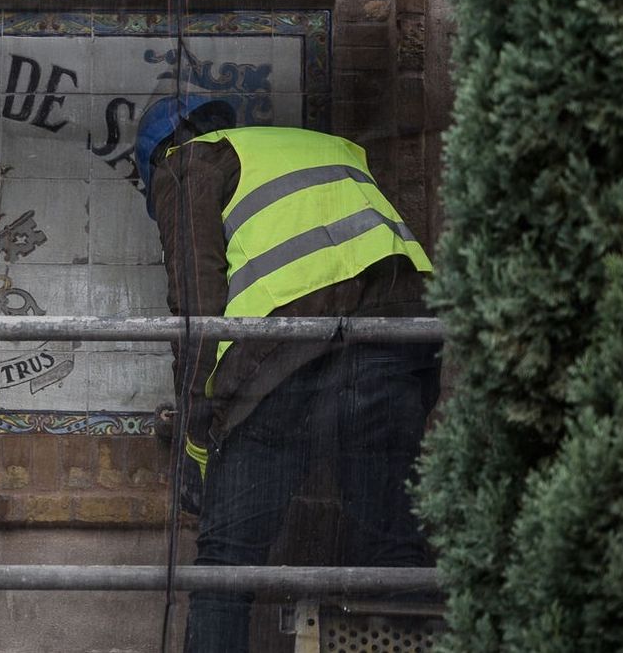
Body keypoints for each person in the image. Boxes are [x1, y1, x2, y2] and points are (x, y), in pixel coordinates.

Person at [135, 96, 441, 653]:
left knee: (227, 564)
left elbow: (197, 310)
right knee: (394, 553)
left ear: (160, 154)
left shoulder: (188, 163)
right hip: (397, 344)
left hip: (287, 360)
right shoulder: (325, 150)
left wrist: (196, 443)